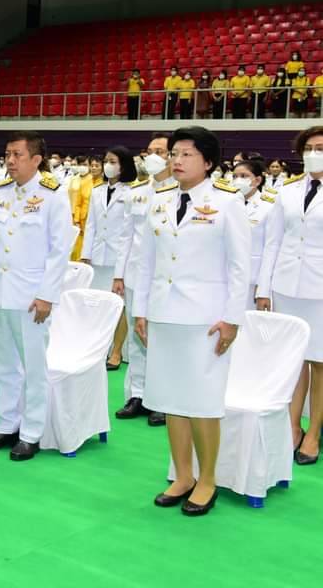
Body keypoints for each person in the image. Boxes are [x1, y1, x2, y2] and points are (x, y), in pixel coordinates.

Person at [134, 126, 248, 516]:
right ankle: (182, 475)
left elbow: (239, 266)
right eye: (174, 154)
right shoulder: (160, 199)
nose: (177, 161)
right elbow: (146, 259)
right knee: (171, 399)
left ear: (209, 162)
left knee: (202, 403)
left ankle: (208, 478)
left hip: (206, 319)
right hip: (165, 314)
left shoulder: (228, 202)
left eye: (186, 154)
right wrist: (141, 310)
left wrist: (232, 319)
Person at [0, 130, 72, 460]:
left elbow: (60, 250)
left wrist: (47, 294)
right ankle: (6, 425)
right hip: (0, 292)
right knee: (3, 366)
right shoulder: (1, 190)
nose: (10, 160)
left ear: (36, 159)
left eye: (17, 155)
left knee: (33, 366)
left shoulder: (52, 194)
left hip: (32, 296)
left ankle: (31, 432)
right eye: (7, 154)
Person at [256, 126, 323, 464]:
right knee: (295, 361)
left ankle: (314, 432)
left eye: (320, 147)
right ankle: (293, 426)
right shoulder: (288, 189)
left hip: (321, 289)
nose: (314, 152)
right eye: (309, 147)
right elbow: (273, 241)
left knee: (321, 363)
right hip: (287, 285)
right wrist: (264, 288)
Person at [113, 133, 175, 424]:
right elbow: (126, 237)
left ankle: (161, 398)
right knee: (138, 340)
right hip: (136, 275)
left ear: (172, 156)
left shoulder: (180, 191)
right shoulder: (136, 191)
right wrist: (118, 274)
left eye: (160, 151)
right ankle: (137, 394)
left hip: (165, 279)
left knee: (160, 339)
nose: (153, 156)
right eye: (150, 150)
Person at [81, 146, 137, 370]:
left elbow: (128, 231)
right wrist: (85, 255)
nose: (107, 165)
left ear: (123, 165)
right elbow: (91, 224)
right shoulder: (97, 191)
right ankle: (99, 348)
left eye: (112, 161)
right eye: (106, 161)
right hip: (97, 255)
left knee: (119, 305)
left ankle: (116, 351)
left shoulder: (132, 192)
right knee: (97, 304)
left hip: (119, 256)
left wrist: (122, 268)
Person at [230, 159, 275, 312]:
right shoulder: (227, 203)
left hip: (252, 280)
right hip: (226, 276)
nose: (238, 180)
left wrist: (263, 288)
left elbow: (270, 249)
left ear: (257, 180)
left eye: (244, 176)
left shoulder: (269, 207)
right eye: (235, 176)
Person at [70, 157, 101, 261]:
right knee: (78, 250)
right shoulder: (85, 182)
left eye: (97, 166)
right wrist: (77, 220)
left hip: (98, 221)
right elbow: (78, 203)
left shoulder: (105, 184)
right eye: (92, 166)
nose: (93, 168)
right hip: (83, 222)